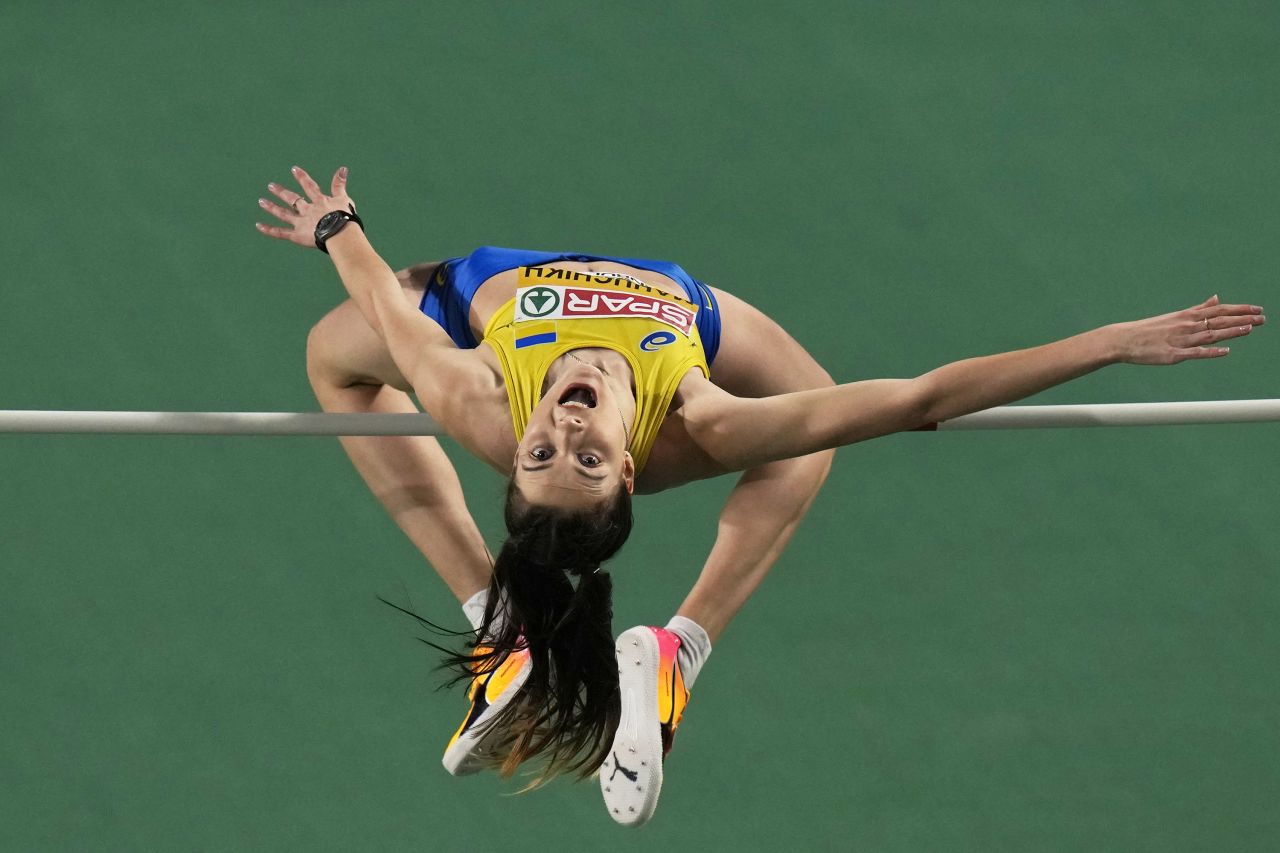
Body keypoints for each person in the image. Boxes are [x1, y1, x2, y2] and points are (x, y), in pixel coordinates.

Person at [256, 165, 1264, 826]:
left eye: (544, 449)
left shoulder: (474, 393)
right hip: (685, 311)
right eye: (588, 456)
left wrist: (339, 229)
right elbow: (918, 401)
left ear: (508, 449)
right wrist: (1109, 344)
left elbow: (386, 306)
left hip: (464, 284)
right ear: (630, 463)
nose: (565, 425)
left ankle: (501, 626)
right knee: (810, 427)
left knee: (334, 362)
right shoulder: (698, 420)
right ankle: (667, 652)